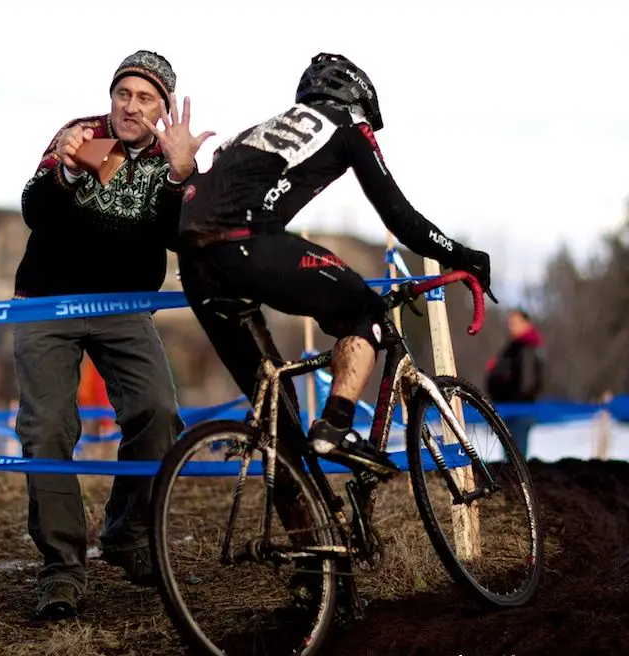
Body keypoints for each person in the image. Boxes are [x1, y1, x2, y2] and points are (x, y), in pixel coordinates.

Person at [175, 53, 492, 495]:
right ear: (357, 97)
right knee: (367, 309)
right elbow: (399, 217)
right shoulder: (346, 122)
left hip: (194, 266)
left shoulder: (256, 131)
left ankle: (320, 549)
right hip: (250, 244)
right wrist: (461, 255)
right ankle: (337, 425)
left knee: (282, 430)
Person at [13, 49, 213, 620]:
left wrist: (181, 178)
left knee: (157, 411)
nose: (131, 106)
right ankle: (60, 569)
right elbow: (34, 210)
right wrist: (69, 171)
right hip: (46, 302)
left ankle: (125, 533)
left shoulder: (172, 160)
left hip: (123, 306)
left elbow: (185, 238)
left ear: (163, 108)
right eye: (123, 93)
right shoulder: (76, 137)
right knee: (48, 427)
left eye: (145, 98)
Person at [485, 308, 544, 456]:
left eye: (515, 323)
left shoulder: (526, 348)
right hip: (509, 409)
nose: (511, 326)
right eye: (510, 323)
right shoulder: (513, 347)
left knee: (515, 458)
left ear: (526, 324)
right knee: (510, 456)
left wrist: (514, 399)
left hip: (519, 410)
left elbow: (527, 382)